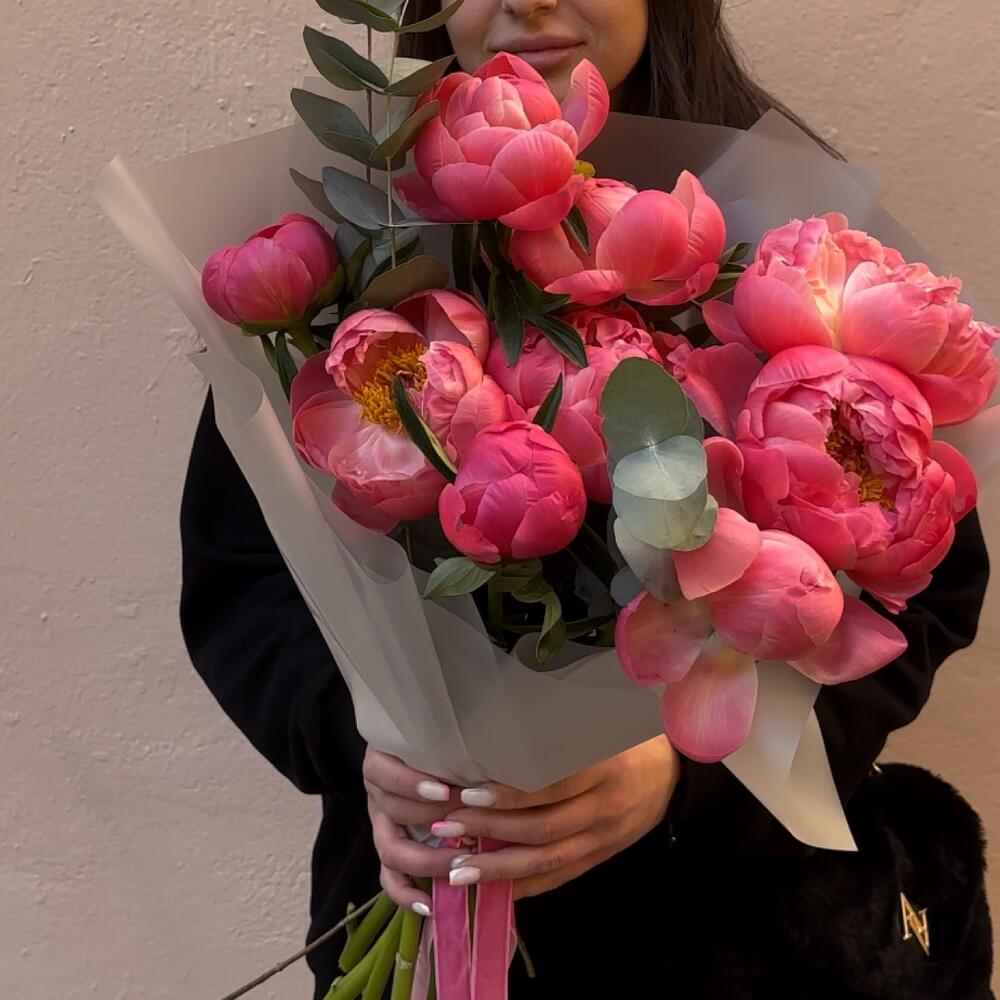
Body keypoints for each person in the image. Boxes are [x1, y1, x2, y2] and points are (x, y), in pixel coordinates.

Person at [179, 2, 993, 996]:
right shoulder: (354, 247)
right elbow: (244, 578)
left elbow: (925, 589)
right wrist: (369, 746)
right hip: (435, 909)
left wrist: (687, 770)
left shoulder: (802, 256)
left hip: (737, 934)